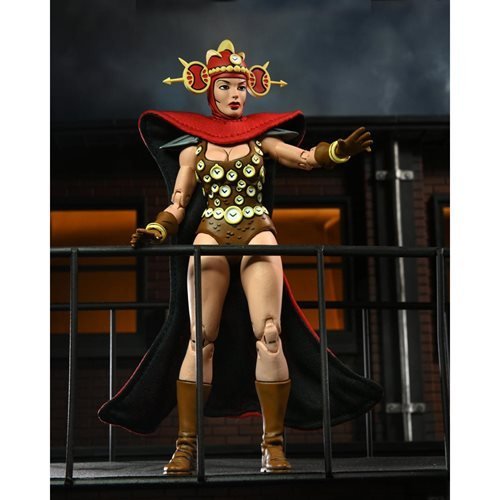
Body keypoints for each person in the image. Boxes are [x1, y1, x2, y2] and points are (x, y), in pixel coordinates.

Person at [98, 39, 381, 476]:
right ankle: (185, 445)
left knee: (270, 333)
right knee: (199, 337)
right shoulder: (192, 148)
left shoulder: (262, 138)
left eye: (241, 87)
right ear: (209, 90)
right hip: (210, 233)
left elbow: (304, 158)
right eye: (226, 86)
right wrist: (158, 228)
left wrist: (338, 151)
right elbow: (178, 202)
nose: (235, 95)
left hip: (257, 231)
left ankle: (273, 444)